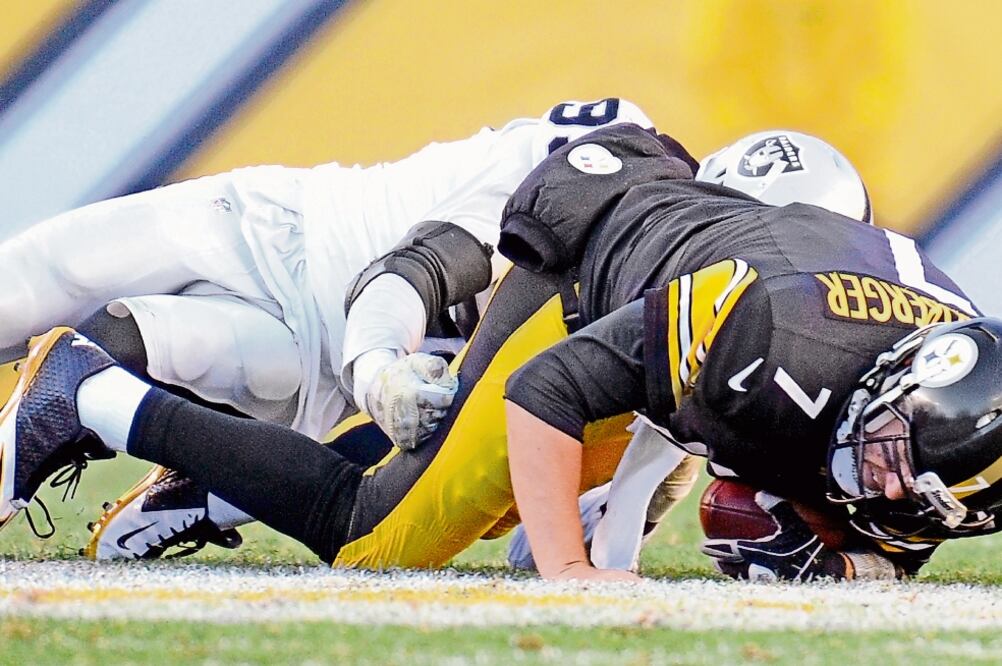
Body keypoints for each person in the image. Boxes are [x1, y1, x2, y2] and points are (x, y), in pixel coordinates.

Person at [17, 124, 972, 582]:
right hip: (316, 258)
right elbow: (495, 336)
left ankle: (217, 488)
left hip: (540, 312)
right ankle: (89, 393)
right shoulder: (750, 311)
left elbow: (659, 444)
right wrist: (575, 573)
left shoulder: (892, 343)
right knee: (380, 537)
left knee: (492, 491)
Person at [0, 97, 656, 550]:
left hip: (315, 369)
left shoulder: (661, 308)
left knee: (433, 455)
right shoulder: (588, 182)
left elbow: (509, 506)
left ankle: (202, 487)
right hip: (284, 234)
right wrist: (379, 375)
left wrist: (612, 517)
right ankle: (189, 480)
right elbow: (403, 275)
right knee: (32, 288)